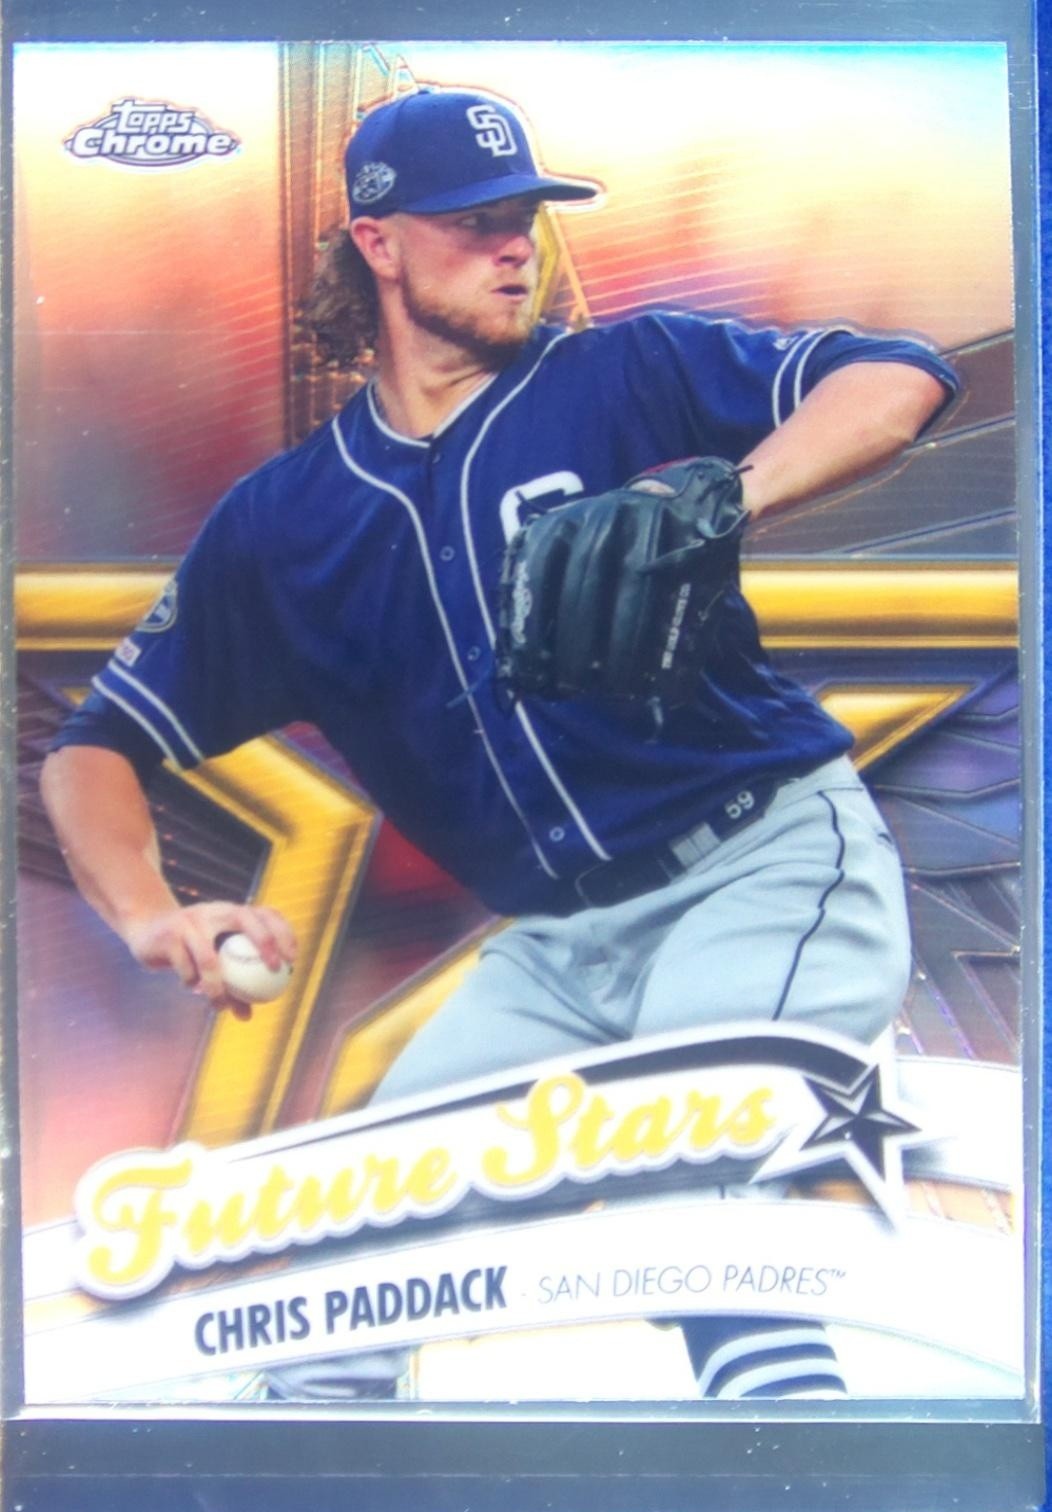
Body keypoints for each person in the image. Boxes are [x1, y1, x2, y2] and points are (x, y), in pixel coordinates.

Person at [41, 86, 958, 1400]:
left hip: (760, 871)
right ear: (377, 242)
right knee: (342, 1281)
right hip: (555, 952)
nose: (516, 245)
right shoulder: (288, 524)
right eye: (474, 222)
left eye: (524, 216)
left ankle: (800, 1471)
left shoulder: (623, 375)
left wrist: (728, 490)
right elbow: (94, 750)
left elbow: (899, 376)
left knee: (694, 1196)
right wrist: (149, 914)